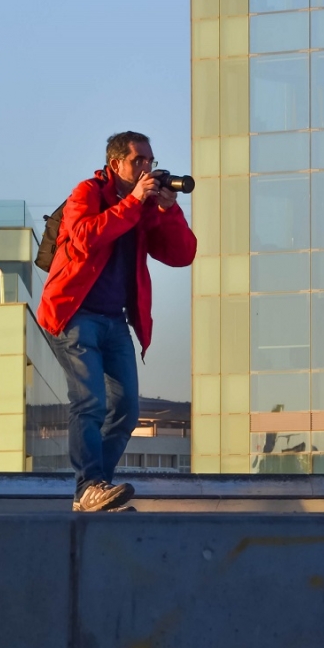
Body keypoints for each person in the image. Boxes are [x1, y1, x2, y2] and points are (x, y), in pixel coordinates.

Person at [38, 131, 197, 512]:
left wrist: (167, 209)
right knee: (89, 401)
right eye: (138, 160)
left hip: (113, 320)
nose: (147, 167)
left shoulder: (143, 207)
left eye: (150, 160)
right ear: (116, 165)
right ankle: (88, 485)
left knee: (125, 410)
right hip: (72, 314)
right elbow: (82, 238)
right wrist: (133, 202)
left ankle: (95, 491)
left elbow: (182, 254)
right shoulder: (87, 193)